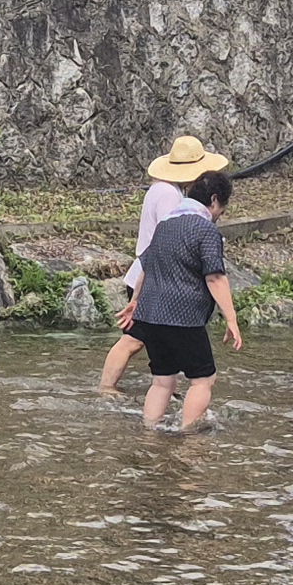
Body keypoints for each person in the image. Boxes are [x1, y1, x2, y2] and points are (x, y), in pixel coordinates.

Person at [100, 132, 224, 395]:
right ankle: (107, 387)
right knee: (133, 339)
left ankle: (162, 388)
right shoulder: (171, 195)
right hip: (154, 277)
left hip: (150, 275)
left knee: (147, 339)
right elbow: (171, 241)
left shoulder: (163, 189)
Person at [132, 168, 241, 433]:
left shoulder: (166, 224)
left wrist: (134, 300)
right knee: (203, 379)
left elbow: (145, 266)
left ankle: (149, 435)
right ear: (214, 200)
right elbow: (215, 278)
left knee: (162, 381)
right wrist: (232, 318)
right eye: (221, 210)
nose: (218, 216)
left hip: (151, 314)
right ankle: (189, 438)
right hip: (184, 316)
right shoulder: (205, 230)